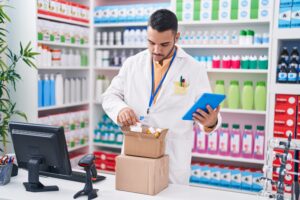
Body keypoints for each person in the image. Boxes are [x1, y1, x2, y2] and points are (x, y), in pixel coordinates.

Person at [102, 9, 222, 185]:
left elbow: (210, 112)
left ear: (176, 37)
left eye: (164, 44)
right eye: (151, 43)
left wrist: (211, 122)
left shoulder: (194, 69)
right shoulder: (132, 64)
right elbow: (109, 96)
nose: (156, 50)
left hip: (172, 155)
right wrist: (121, 109)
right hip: (137, 149)